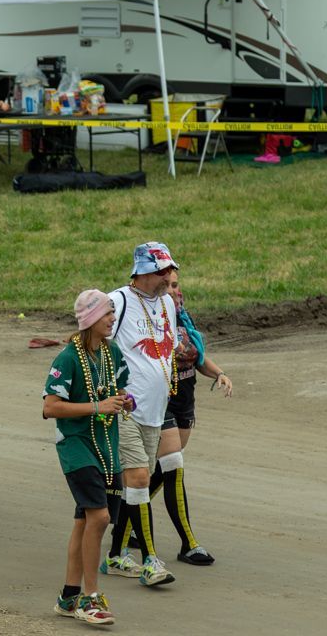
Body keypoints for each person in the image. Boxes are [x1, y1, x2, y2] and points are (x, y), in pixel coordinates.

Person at [43, 289, 132, 627]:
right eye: (108, 313)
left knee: (85, 521)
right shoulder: (67, 358)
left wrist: (125, 401)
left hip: (106, 448)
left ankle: (68, 596)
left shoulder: (112, 354)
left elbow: (120, 391)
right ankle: (89, 598)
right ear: (91, 319)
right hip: (76, 446)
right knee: (99, 517)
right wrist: (97, 406)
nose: (112, 318)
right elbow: (50, 407)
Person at [101, 242, 180, 588]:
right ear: (144, 271)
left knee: (141, 481)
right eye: (163, 271)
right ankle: (149, 560)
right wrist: (109, 391)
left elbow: (168, 349)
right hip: (125, 410)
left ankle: (116, 556)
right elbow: (92, 341)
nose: (170, 277)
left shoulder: (166, 303)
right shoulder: (116, 301)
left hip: (155, 410)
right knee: (137, 479)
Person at [149, 268, 233, 566]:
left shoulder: (183, 318)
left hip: (185, 397)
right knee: (173, 464)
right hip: (160, 400)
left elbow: (197, 358)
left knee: (164, 467)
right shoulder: (150, 319)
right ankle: (188, 544)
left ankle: (128, 515)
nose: (173, 290)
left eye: (176, 285)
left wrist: (219, 373)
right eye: (167, 285)